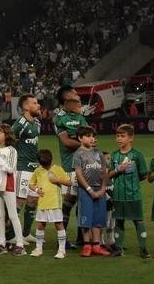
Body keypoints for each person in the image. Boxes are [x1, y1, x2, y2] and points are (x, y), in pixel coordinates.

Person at [108, 123, 150, 258]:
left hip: (133, 195)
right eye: (117, 136)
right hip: (118, 195)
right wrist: (118, 169)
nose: (119, 139)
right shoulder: (114, 155)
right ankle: (118, 249)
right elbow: (109, 175)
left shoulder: (137, 155)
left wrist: (132, 180)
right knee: (119, 221)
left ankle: (143, 249)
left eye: (122, 136)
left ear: (131, 138)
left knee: (138, 221)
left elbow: (143, 175)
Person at [55, 87, 88, 247]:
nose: (77, 96)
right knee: (68, 203)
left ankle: (81, 238)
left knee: (83, 202)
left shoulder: (79, 115)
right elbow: (67, 142)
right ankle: (62, 239)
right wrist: (84, 143)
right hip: (70, 166)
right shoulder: (60, 118)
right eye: (74, 93)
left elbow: (89, 134)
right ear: (66, 97)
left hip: (84, 165)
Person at [0, 123, 25, 255]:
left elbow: (10, 169)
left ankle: (20, 245)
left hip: (8, 185)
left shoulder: (11, 150)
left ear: (6, 135)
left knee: (13, 215)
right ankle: (2, 244)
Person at [72, 125, 109, 257]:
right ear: (80, 138)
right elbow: (79, 174)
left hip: (99, 190)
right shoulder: (78, 154)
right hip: (85, 191)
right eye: (88, 136)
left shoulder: (99, 153)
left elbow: (104, 172)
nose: (92, 138)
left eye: (93, 136)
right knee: (86, 218)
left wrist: (103, 188)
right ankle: (87, 245)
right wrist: (89, 189)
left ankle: (96, 245)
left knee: (98, 218)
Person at [10, 92, 42, 244]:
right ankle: (12, 235)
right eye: (34, 103)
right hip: (22, 167)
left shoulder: (37, 123)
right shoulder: (19, 124)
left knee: (33, 201)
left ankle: (26, 233)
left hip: (35, 168)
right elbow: (9, 142)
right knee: (19, 202)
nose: (38, 105)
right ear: (26, 107)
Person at [29, 148, 72, 258]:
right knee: (40, 225)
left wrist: (57, 180)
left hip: (55, 203)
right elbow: (31, 184)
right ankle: (38, 249)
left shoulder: (57, 169)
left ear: (51, 159)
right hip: (43, 203)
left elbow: (69, 182)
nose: (46, 166)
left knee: (59, 225)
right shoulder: (38, 171)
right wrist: (37, 190)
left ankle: (61, 250)